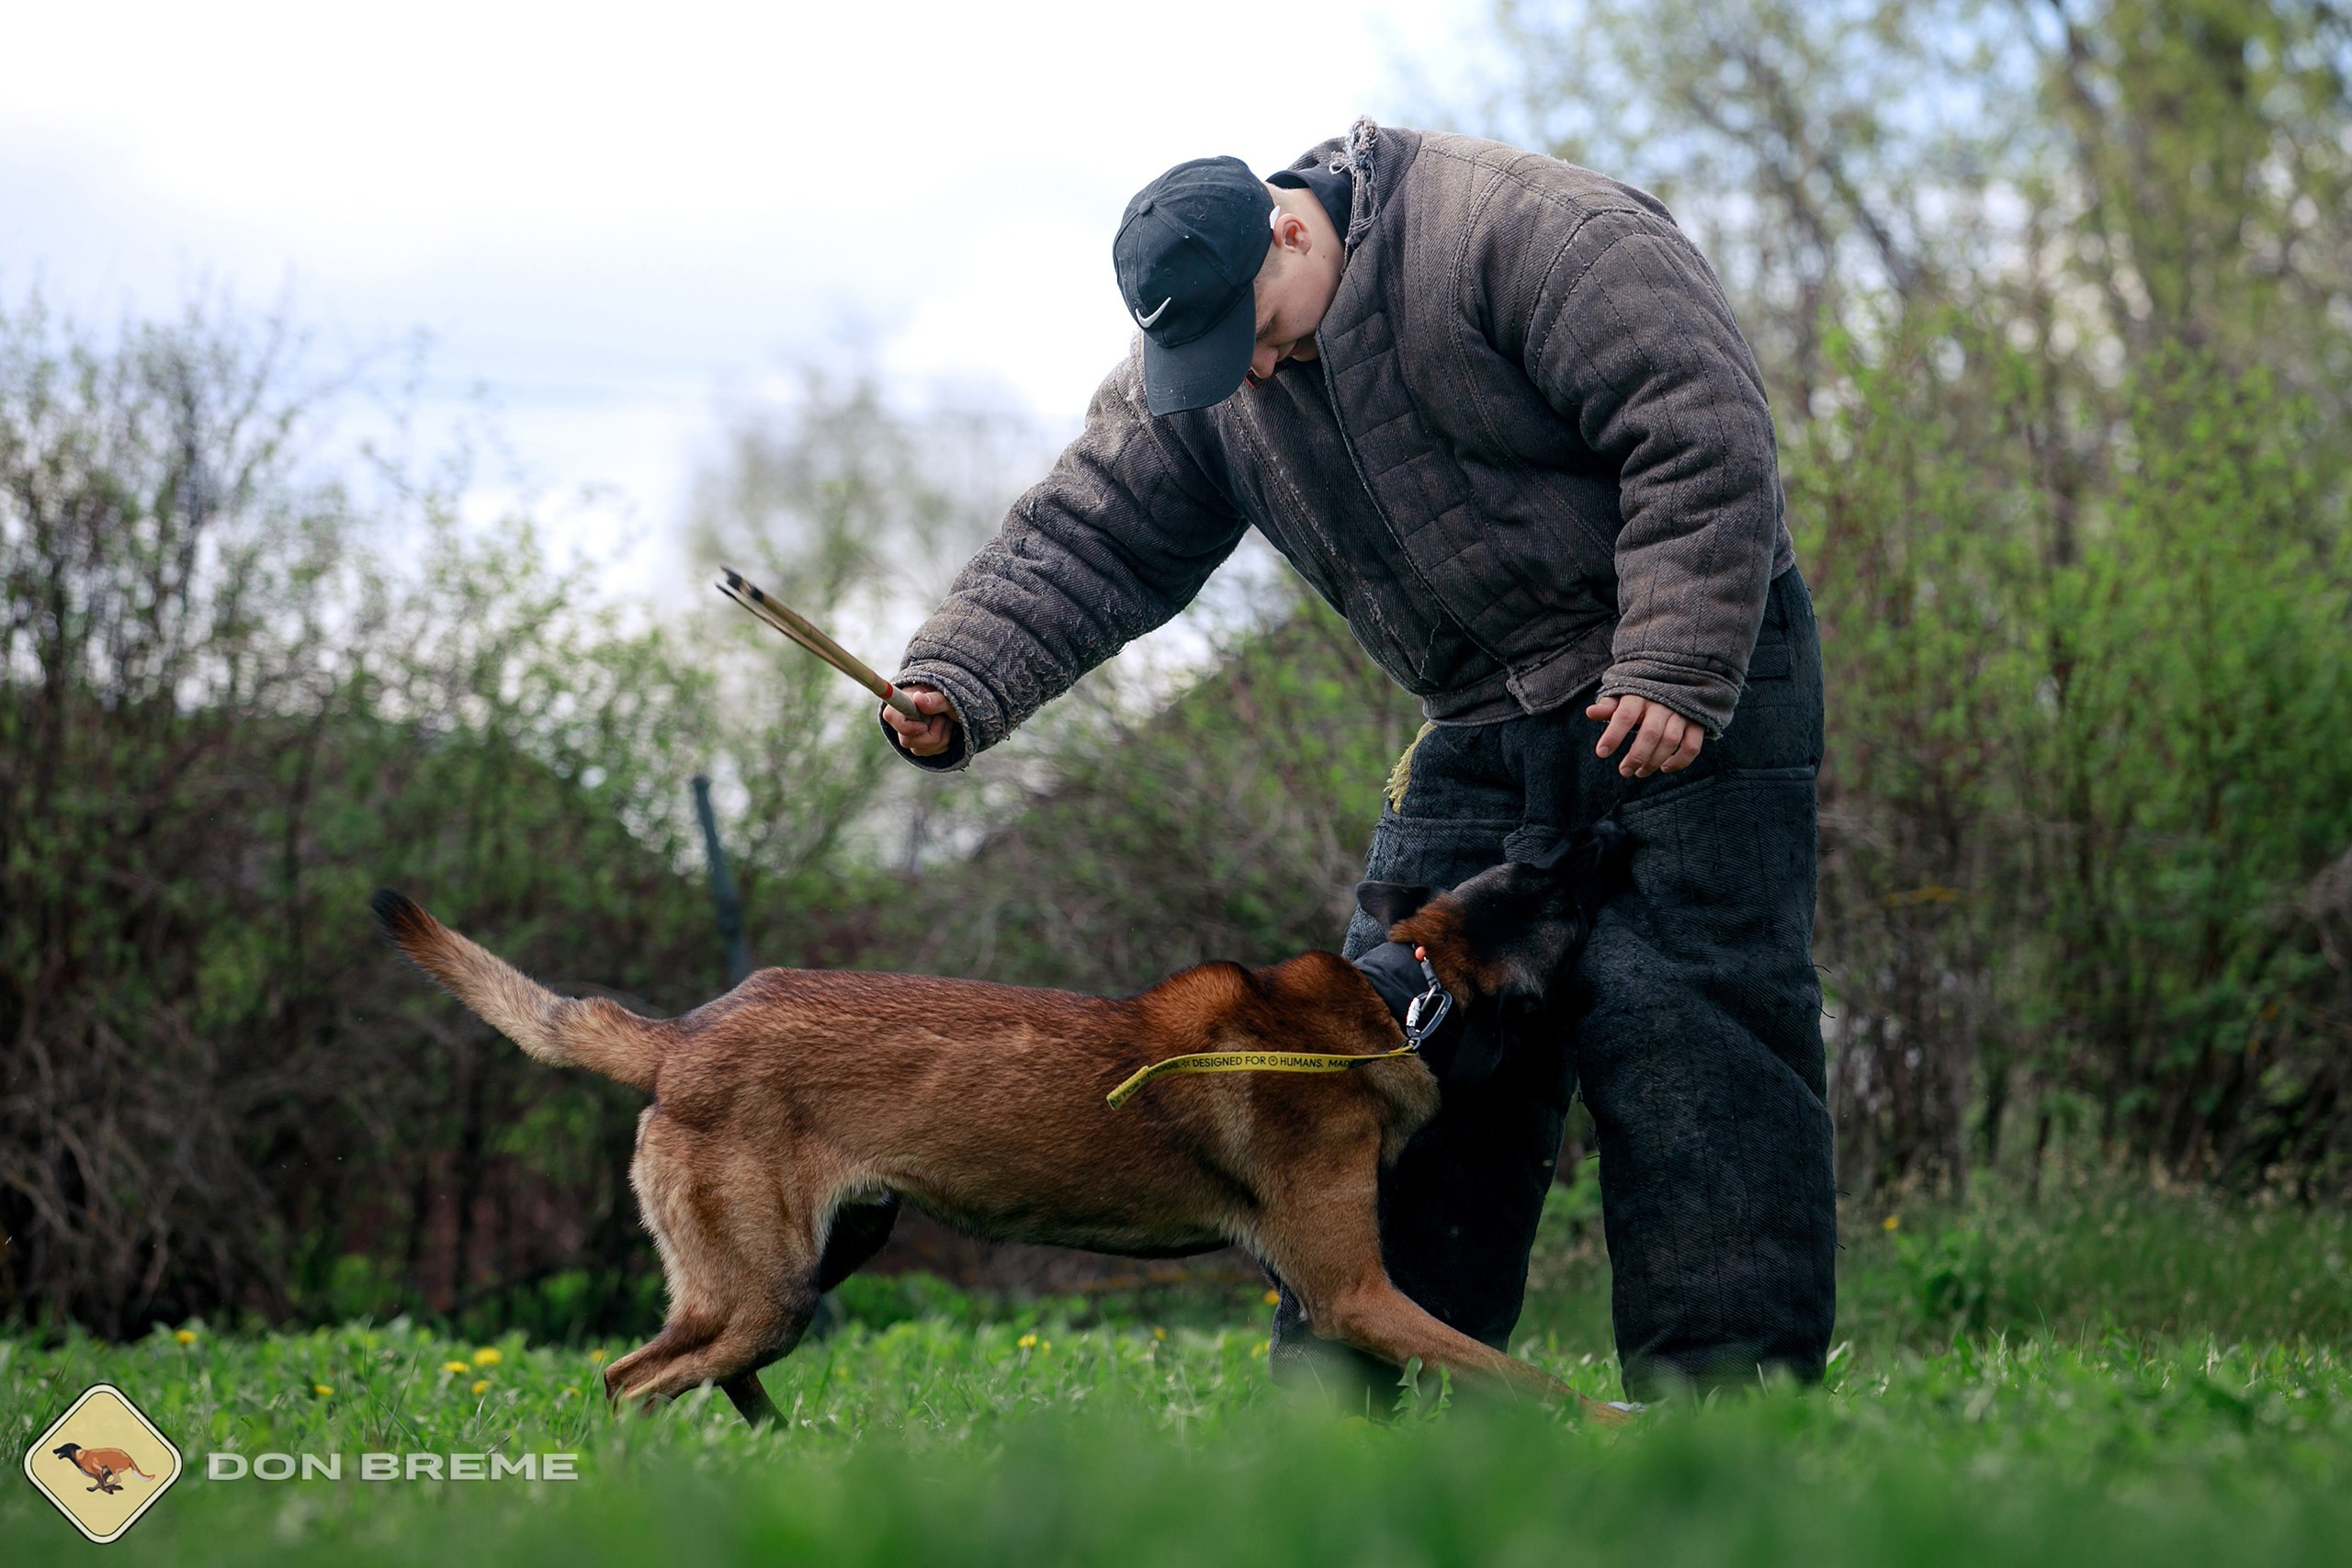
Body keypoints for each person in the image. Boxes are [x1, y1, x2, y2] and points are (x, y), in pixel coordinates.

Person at [877, 120, 1834, 1401]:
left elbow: (1701, 430)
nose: (1254, 370)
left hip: (1684, 669)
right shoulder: (1212, 355)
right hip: (1483, 709)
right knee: (1375, 1039)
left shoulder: (1530, 236)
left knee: (1691, 1039)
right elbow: (1093, 536)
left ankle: (1730, 1414)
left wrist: (1672, 663)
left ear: (1289, 226)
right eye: (1221, 356)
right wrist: (959, 678)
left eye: (1259, 330)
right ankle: (1354, 1423)